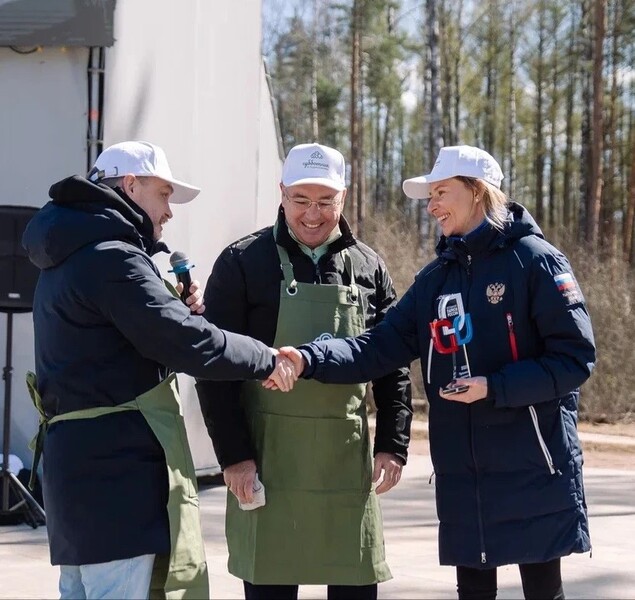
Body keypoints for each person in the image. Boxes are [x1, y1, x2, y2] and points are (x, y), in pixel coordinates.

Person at [276, 145, 596, 600]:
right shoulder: (435, 280)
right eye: (431, 196)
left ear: (478, 192)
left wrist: (494, 387)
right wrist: (310, 359)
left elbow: (575, 358)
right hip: (464, 473)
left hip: (533, 466)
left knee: (544, 592)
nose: (431, 206)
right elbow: (377, 347)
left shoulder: (536, 261)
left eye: (441, 192)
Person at [22, 141, 297, 600]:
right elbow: (186, 343)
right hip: (116, 479)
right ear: (131, 185)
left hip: (76, 473)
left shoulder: (66, 255)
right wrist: (267, 358)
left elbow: (118, 353)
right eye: (164, 194)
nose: (169, 211)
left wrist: (175, 311)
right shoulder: (113, 258)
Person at [195, 142, 412, 600]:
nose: (312, 215)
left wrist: (393, 444)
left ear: (344, 197)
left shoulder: (369, 267)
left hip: (345, 465)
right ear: (282, 193)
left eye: (325, 202)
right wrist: (234, 457)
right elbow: (215, 369)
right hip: (268, 462)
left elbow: (392, 362)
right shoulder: (242, 262)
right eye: (300, 200)